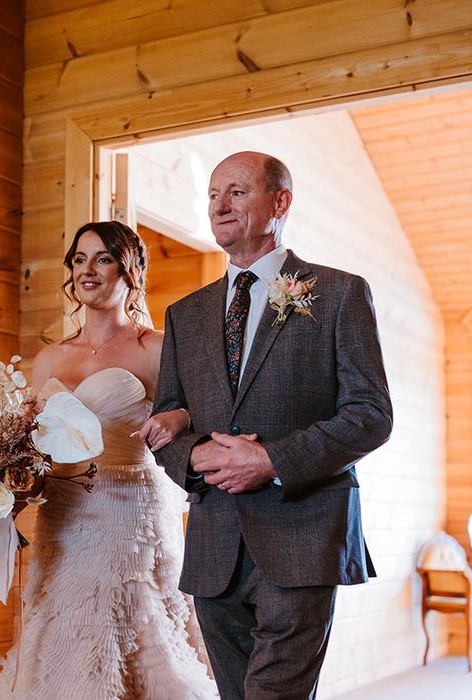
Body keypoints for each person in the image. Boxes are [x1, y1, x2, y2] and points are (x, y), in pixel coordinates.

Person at [149, 151, 393, 699]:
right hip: (214, 547)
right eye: (213, 195)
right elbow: (166, 421)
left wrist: (272, 460)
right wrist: (190, 456)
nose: (220, 205)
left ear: (280, 202)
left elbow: (371, 414)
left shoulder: (337, 293)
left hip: (303, 535)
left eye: (236, 191)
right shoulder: (183, 315)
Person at [0, 221, 218, 699]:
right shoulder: (50, 359)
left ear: (128, 270)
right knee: (61, 627)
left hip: (128, 505)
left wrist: (177, 417)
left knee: (133, 627)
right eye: (79, 259)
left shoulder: (154, 347)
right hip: (63, 511)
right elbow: (30, 442)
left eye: (103, 258)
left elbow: (201, 413)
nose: (87, 270)